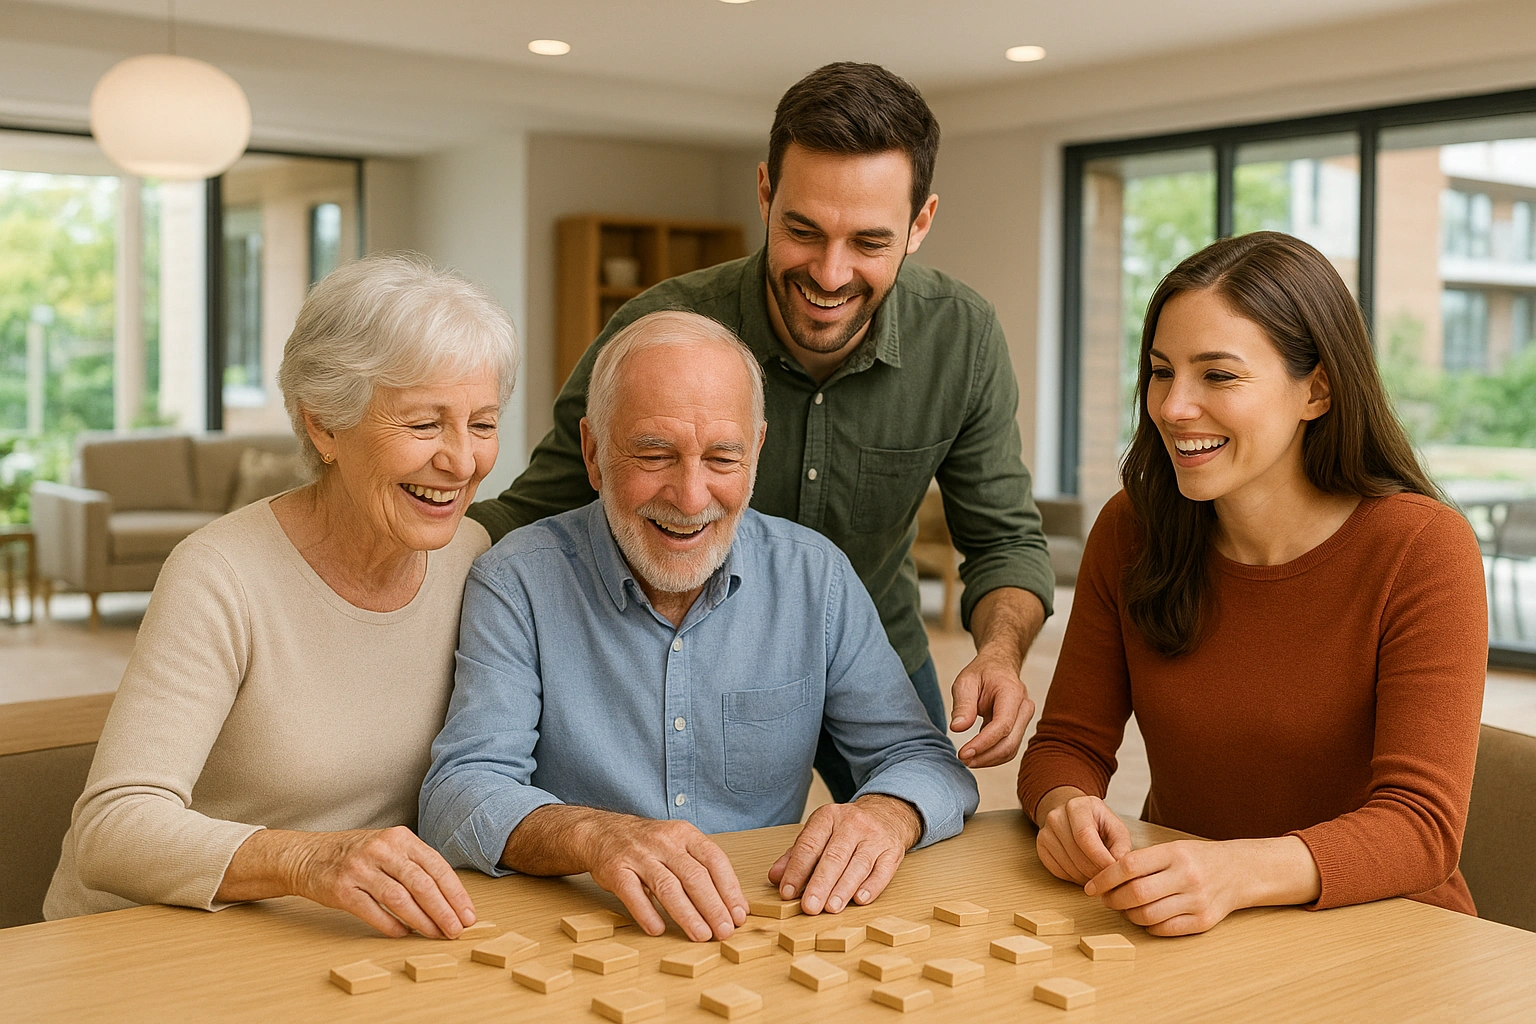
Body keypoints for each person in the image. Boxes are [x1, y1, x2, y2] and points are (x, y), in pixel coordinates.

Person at [468, 62, 1055, 800]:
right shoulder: (660, 329)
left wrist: (1000, 654)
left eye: (869, 242)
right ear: (765, 194)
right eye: (803, 230)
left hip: (875, 652)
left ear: (921, 224)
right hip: (693, 656)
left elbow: (1003, 540)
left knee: (919, 819)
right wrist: (392, 549)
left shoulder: (962, 339)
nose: (831, 274)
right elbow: (534, 509)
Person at [420, 310, 978, 941]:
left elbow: (924, 759)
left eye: (722, 457)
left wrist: (886, 813)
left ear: (757, 452)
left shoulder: (815, 578)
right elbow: (460, 794)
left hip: (763, 936)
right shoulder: (515, 580)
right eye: (655, 453)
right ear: (593, 453)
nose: (690, 497)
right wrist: (594, 837)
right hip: (579, 934)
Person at [1016, 232, 1487, 936]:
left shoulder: (1422, 548)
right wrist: (1066, 809)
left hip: (1389, 936)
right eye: (1161, 371)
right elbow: (1066, 745)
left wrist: (1236, 873)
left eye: (1218, 375)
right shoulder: (1131, 529)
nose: (1173, 407)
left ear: (1316, 390)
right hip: (1191, 926)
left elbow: (1419, 828)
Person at [45, 253, 521, 939]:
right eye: (423, 425)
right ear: (324, 425)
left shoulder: (472, 558)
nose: (461, 459)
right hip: (145, 939)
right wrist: (307, 860)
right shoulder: (220, 573)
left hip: (327, 938)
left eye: (481, 424)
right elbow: (112, 828)